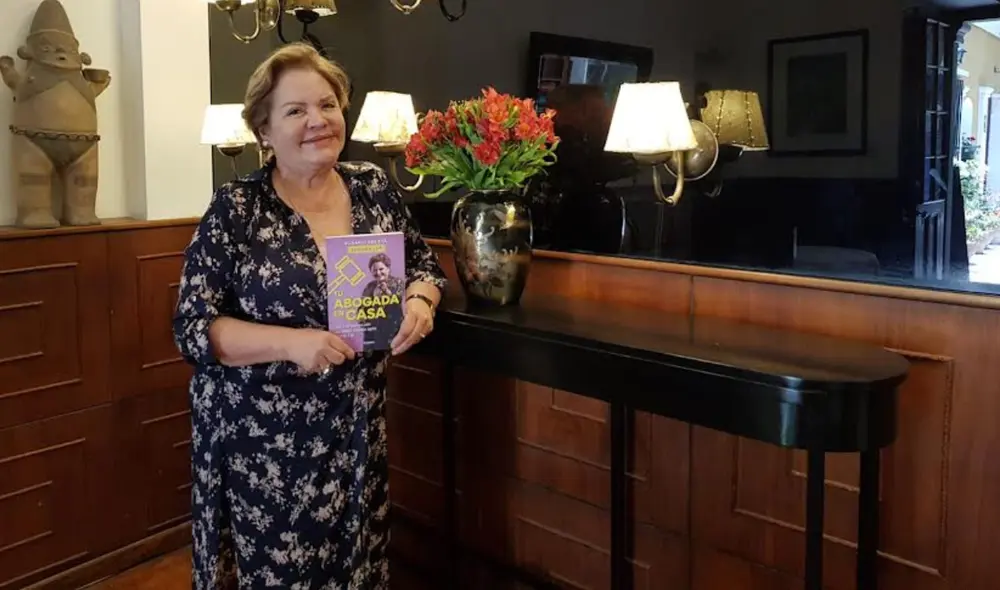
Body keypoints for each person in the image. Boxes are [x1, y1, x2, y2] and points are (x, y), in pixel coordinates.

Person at [172, 42, 447, 589]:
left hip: (356, 433)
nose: (317, 121)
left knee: (356, 570)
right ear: (264, 132)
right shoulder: (238, 209)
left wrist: (419, 303)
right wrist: (290, 343)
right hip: (264, 448)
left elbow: (423, 266)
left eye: (327, 105)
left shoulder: (373, 188)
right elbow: (192, 328)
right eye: (295, 111)